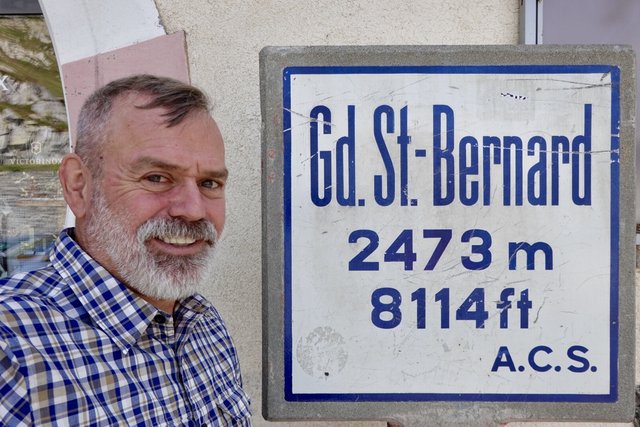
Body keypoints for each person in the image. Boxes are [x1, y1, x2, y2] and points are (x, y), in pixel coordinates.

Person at [0, 74, 251, 426]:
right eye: (156, 177)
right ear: (78, 185)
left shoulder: (203, 324)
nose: (194, 209)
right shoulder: (11, 350)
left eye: (209, 183)